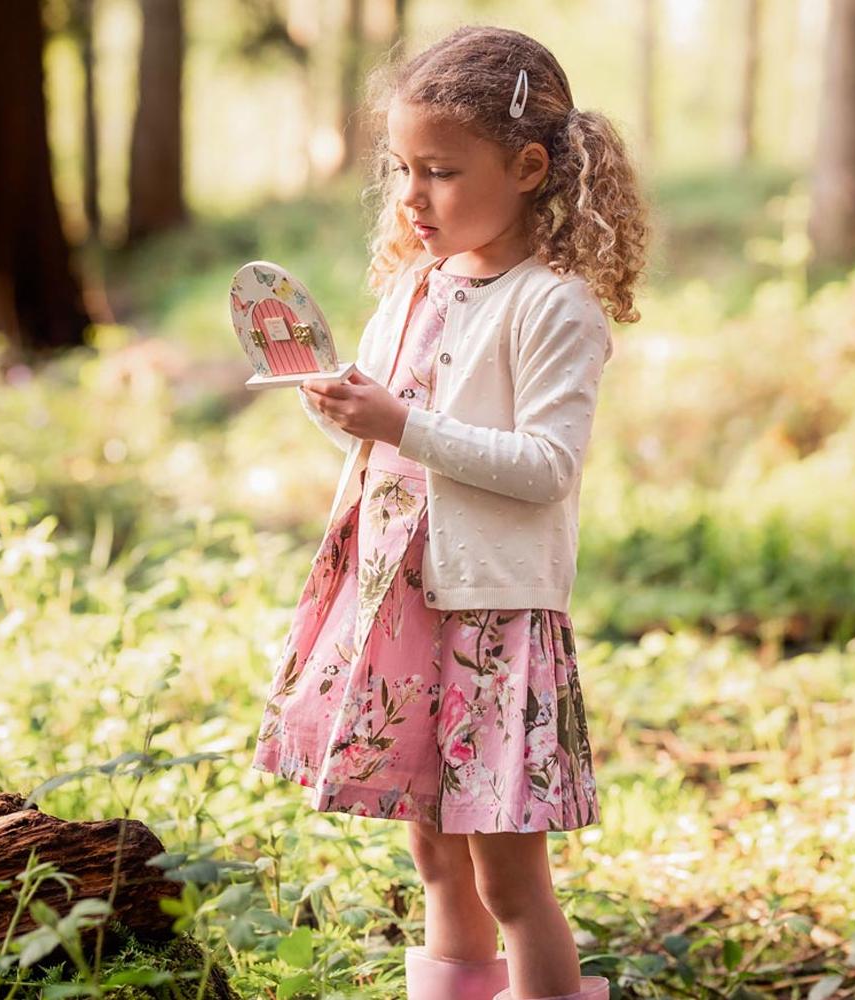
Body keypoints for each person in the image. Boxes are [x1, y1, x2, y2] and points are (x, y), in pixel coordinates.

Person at [251, 23, 649, 1000]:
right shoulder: (414, 290)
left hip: (490, 621)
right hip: (404, 609)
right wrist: (344, 414)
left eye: (439, 170)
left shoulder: (554, 306)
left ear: (525, 168)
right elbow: (389, 445)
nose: (411, 197)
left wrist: (404, 420)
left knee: (510, 875)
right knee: (433, 854)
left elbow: (545, 466)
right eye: (401, 170)